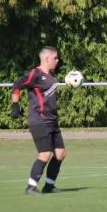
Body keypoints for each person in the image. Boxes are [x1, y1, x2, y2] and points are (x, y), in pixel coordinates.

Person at [11, 46, 66, 195]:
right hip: (39, 120)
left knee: (60, 153)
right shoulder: (35, 74)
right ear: (47, 59)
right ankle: (31, 187)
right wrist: (15, 106)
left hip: (52, 121)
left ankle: (48, 186)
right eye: (55, 58)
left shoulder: (50, 77)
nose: (57, 60)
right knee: (44, 154)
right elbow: (17, 86)